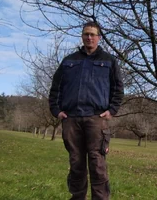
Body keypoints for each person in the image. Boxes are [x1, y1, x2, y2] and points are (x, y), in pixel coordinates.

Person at [49, 21, 124, 200]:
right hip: (71, 118)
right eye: (86, 34)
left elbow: (118, 89)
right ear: (82, 37)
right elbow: (55, 88)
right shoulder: (69, 61)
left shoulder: (109, 61)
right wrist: (56, 110)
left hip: (96, 118)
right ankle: (77, 197)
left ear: (99, 37)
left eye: (92, 34)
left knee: (97, 164)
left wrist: (112, 110)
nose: (89, 37)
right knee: (76, 163)